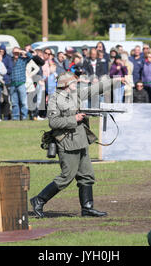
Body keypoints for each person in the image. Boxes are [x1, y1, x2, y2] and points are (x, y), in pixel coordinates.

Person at [30, 72, 119, 218]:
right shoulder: (54, 99)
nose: (76, 84)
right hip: (67, 143)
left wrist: (116, 81)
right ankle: (39, 200)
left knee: (87, 175)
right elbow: (53, 122)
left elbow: (94, 89)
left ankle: (87, 208)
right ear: (65, 84)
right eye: (73, 82)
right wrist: (74, 118)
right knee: (67, 176)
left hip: (81, 140)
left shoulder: (75, 94)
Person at [10, 47, 33, 120]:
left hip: (21, 83)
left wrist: (23, 51)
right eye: (14, 53)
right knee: (14, 103)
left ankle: (24, 116)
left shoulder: (23, 60)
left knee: (23, 102)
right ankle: (15, 117)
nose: (16, 54)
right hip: (12, 84)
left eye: (17, 53)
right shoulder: (10, 60)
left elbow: (31, 56)